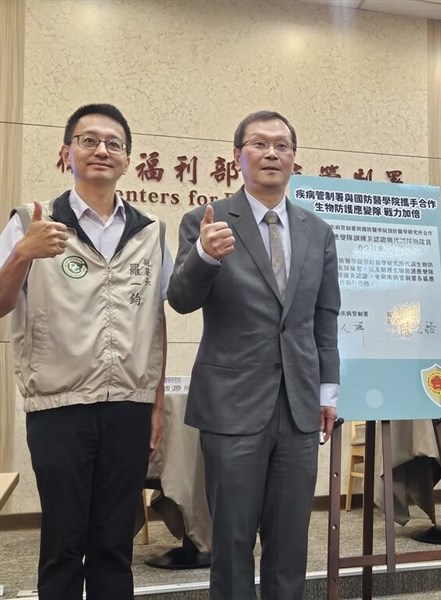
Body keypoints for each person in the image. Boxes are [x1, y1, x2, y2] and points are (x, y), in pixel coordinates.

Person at [167, 110, 340, 600]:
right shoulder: (207, 221)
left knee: (290, 545)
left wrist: (328, 390)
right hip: (232, 408)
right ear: (237, 155)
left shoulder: (316, 230)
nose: (271, 153)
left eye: (282, 146)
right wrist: (203, 256)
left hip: (300, 407)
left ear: (293, 159)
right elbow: (180, 299)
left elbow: (324, 315)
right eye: (259, 144)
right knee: (233, 542)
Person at [0, 103, 170, 600]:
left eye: (113, 143)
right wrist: (21, 254)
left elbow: (154, 322)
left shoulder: (150, 231)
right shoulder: (31, 221)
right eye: (88, 139)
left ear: (127, 160)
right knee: (63, 542)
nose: (100, 150)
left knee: (115, 543)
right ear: (66, 152)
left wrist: (156, 406)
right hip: (58, 406)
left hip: (129, 408)